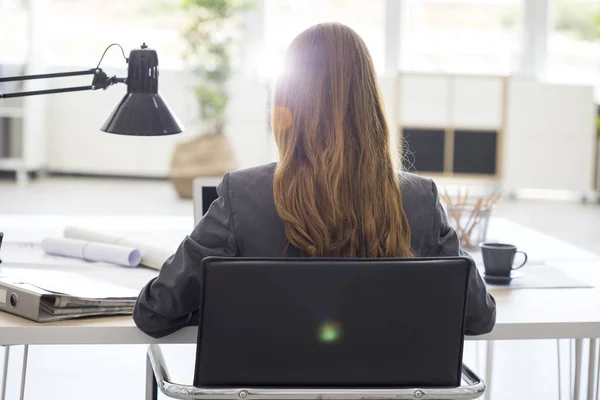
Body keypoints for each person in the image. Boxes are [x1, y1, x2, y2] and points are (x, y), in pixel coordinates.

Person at [133, 22, 496, 338]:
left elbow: (155, 311)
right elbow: (479, 316)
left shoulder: (242, 196)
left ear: (288, 103)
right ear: (369, 105)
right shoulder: (419, 200)